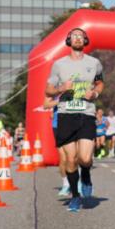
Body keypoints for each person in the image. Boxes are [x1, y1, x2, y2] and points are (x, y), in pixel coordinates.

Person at [45, 27, 104, 213]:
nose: (78, 38)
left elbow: (100, 83)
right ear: (69, 41)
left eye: (81, 36)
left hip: (86, 113)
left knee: (85, 158)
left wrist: (94, 93)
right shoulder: (59, 64)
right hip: (65, 114)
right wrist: (62, 87)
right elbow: (48, 90)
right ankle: (75, 197)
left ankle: (86, 175)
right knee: (70, 159)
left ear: (85, 41)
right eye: (74, 36)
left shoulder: (94, 63)